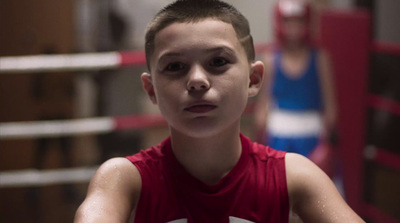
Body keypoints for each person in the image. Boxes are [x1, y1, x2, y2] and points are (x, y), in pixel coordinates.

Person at [74, 0, 363, 222]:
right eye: (175, 66)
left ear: (253, 79)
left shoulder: (295, 175)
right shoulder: (124, 179)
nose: (197, 80)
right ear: (151, 90)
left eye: (218, 62)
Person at [254, 0, 337, 171]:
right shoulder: (270, 58)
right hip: (278, 136)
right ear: (280, 22)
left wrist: (326, 139)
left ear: (306, 22)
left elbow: (331, 106)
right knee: (277, 190)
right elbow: (263, 104)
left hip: (312, 137)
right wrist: (260, 136)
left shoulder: (320, 58)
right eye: (288, 21)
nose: (293, 27)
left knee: (313, 191)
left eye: (298, 21)